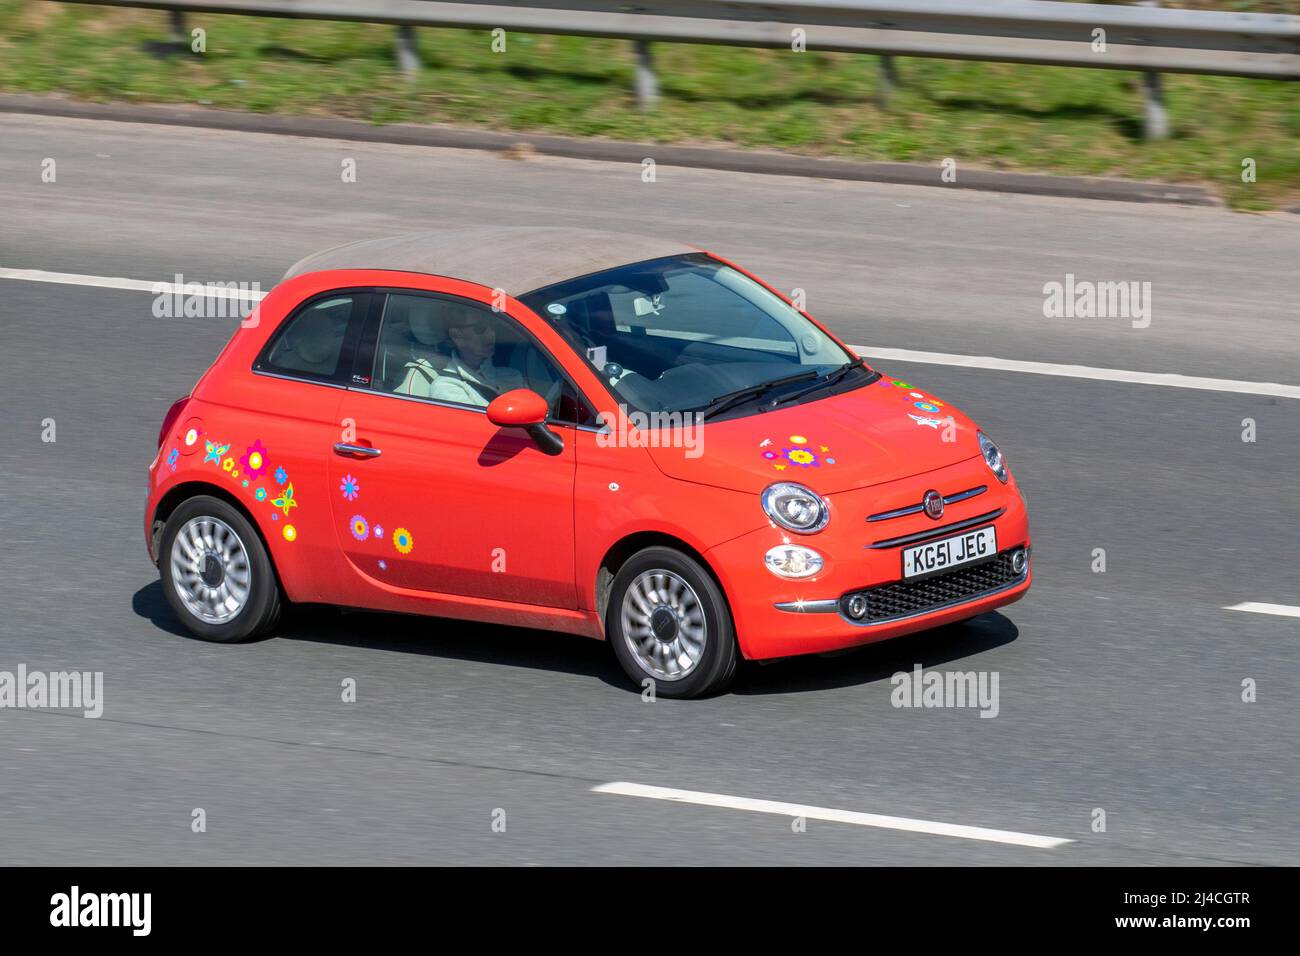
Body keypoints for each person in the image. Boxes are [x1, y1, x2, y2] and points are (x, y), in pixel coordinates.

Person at [430, 310, 525, 407]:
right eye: (480, 328)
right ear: (456, 335)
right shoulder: (446, 387)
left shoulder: (512, 375)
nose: (491, 334)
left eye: (493, 325)